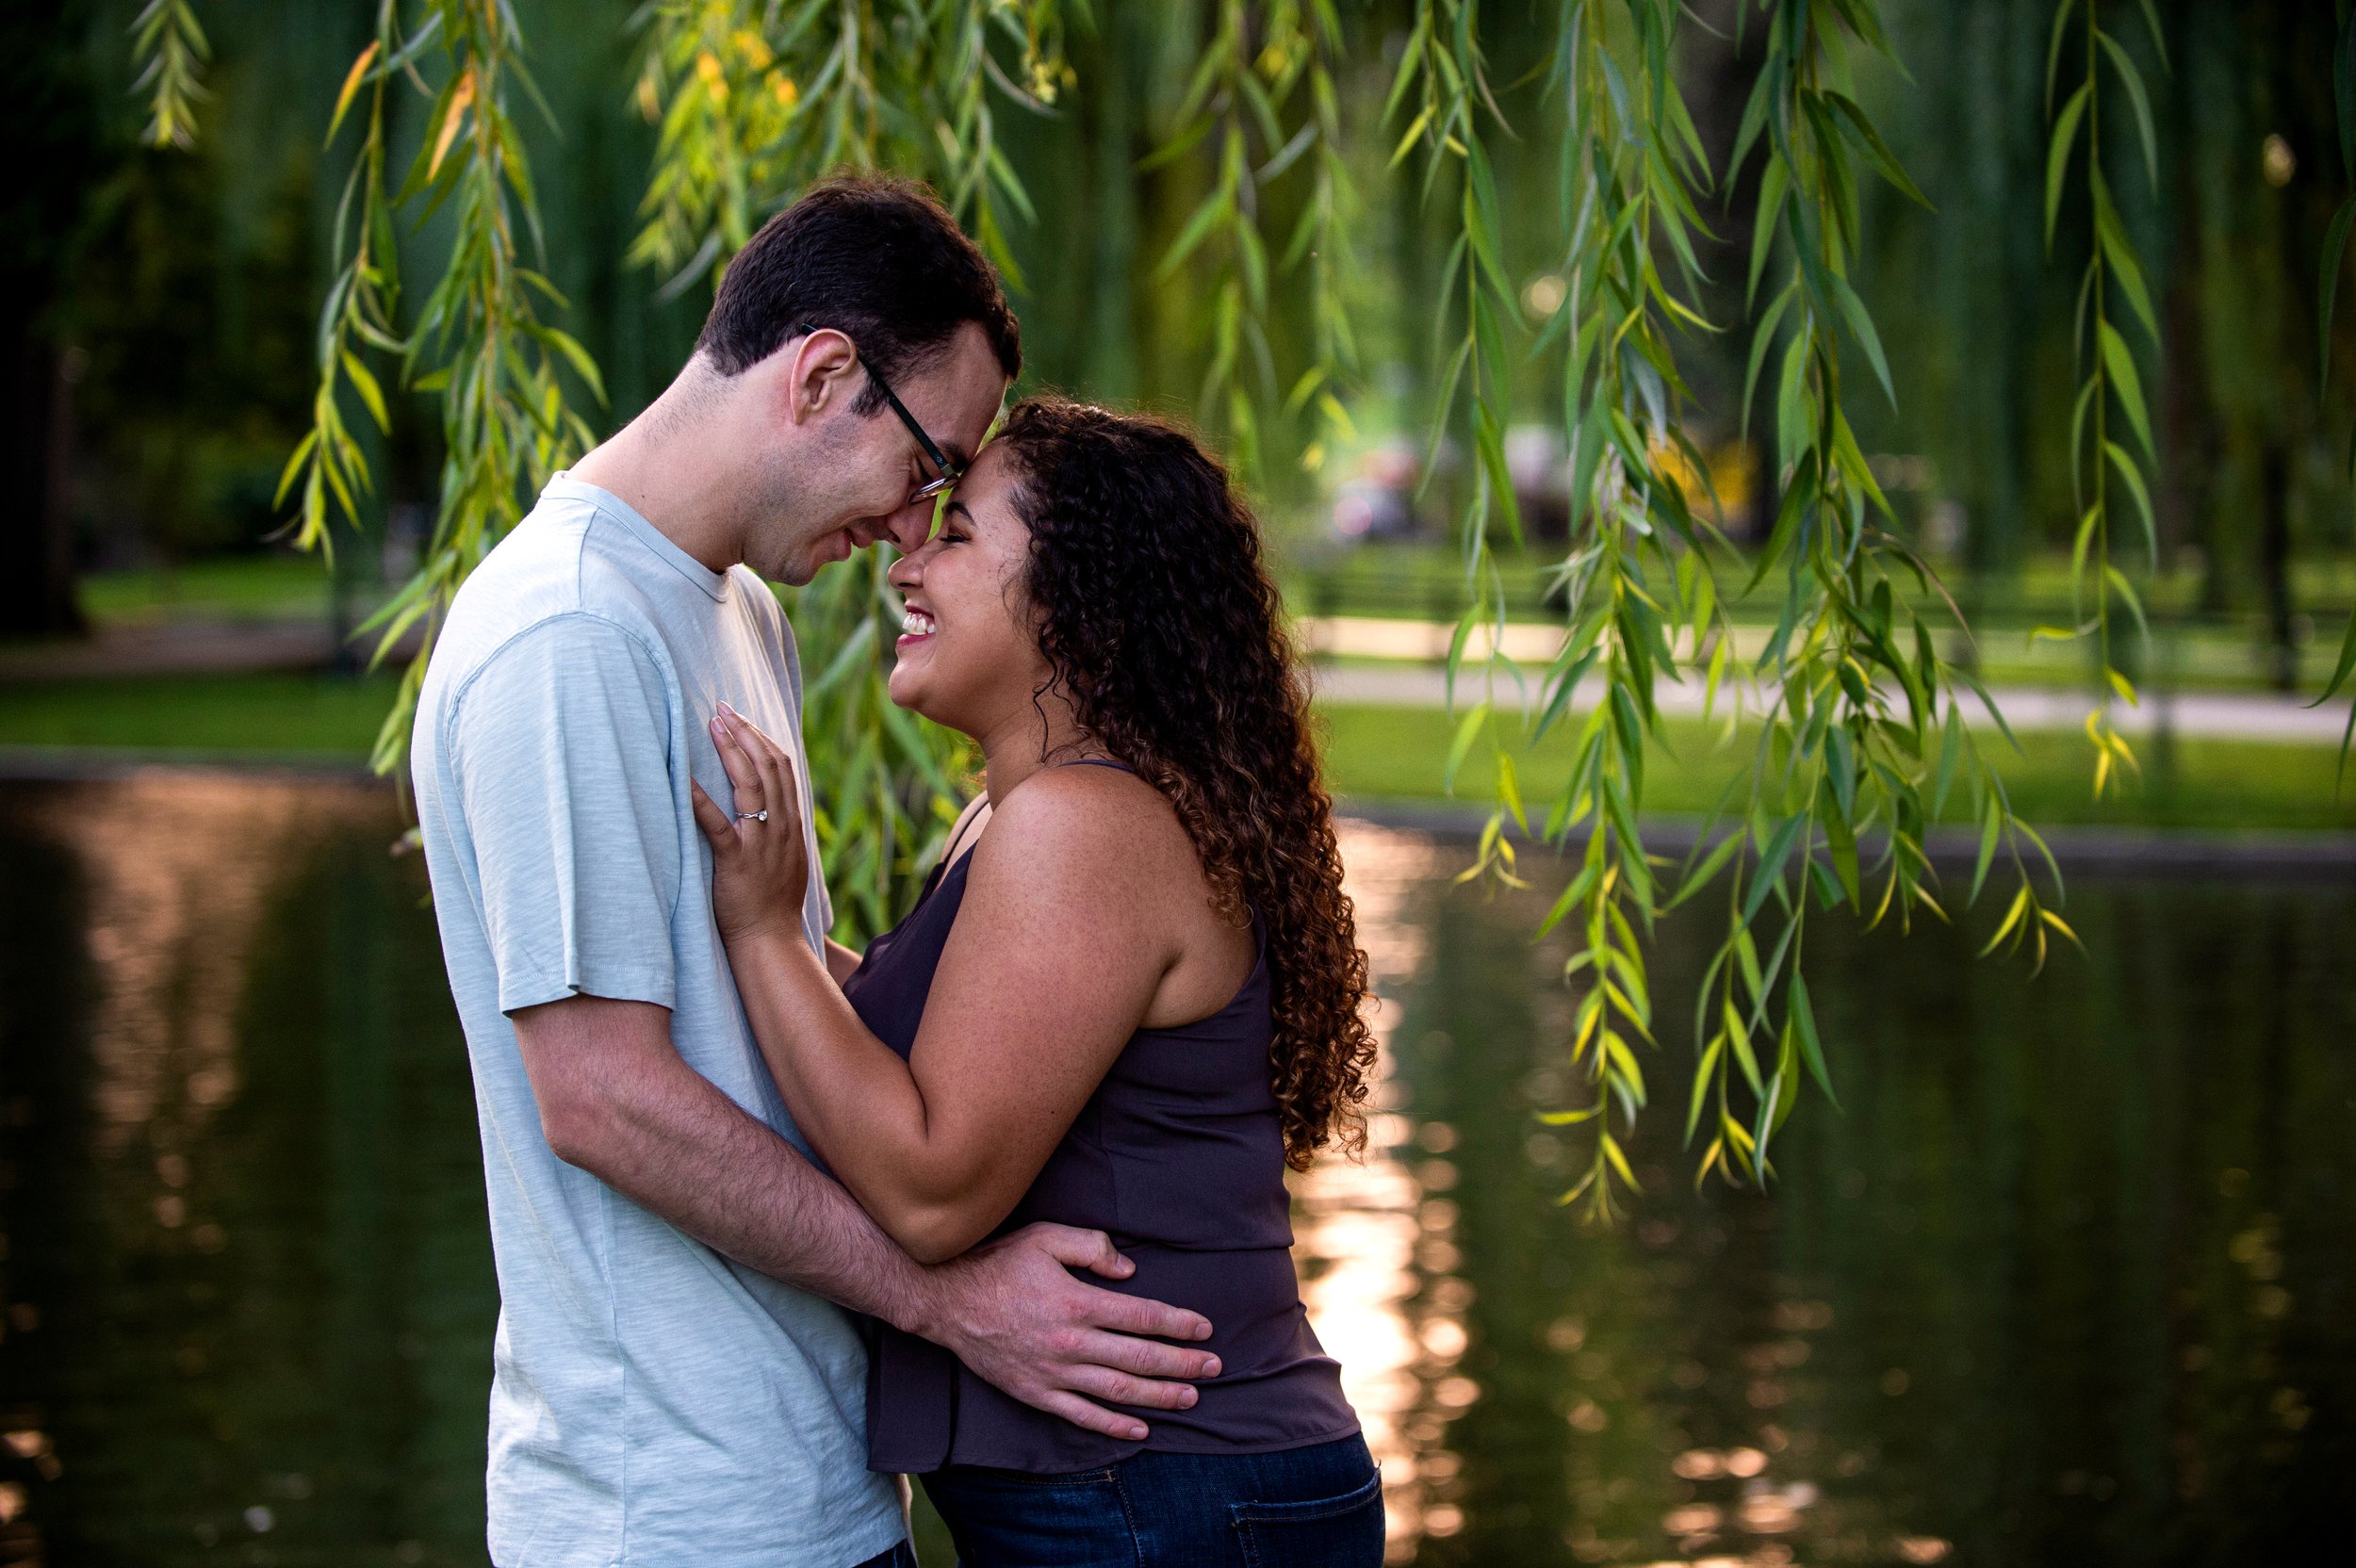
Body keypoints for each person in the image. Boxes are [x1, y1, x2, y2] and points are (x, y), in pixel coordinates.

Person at [409, 178, 1219, 1568]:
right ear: (824, 375)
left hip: (814, 1489)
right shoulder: (568, 636)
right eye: (927, 467)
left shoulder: (735, 613)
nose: (916, 530)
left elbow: (758, 1000)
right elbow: (603, 1096)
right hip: (669, 1518)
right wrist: (948, 1298)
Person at [692, 397, 1387, 1567]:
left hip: (1169, 1494)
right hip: (1150, 1494)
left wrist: (766, 933)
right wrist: (765, 937)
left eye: (956, 531)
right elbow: (950, 1036)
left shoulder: (1085, 822)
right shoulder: (1032, 812)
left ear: (1074, 598)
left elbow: (929, 1188)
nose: (906, 557)